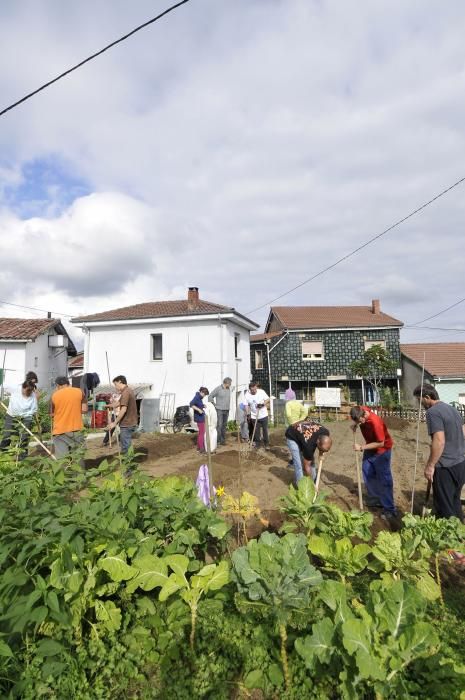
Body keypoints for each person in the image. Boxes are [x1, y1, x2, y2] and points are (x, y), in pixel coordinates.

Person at [413, 384, 465, 521]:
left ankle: (449, 540)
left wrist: (430, 466)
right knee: (454, 502)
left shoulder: (433, 412)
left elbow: (439, 441)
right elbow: (463, 431)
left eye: (419, 400)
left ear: (427, 397)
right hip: (460, 464)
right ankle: (460, 534)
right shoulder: (452, 409)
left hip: (445, 467)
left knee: (444, 507)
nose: (419, 404)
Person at [350, 405, 397, 520]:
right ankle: (376, 499)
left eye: (360, 421)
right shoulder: (361, 410)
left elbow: (380, 443)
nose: (360, 423)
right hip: (370, 447)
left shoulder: (375, 422)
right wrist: (355, 424)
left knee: (384, 479)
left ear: (364, 415)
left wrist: (361, 447)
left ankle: (390, 509)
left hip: (382, 450)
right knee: (367, 471)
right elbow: (358, 414)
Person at [51, 376, 87, 459]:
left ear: (58, 385)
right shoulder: (80, 392)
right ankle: (80, 472)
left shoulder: (54, 395)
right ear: (68, 383)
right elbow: (84, 410)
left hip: (60, 431)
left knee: (62, 459)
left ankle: (65, 471)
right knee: (78, 458)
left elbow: (51, 414)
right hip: (77, 428)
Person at [0, 379, 38, 460]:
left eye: (30, 391)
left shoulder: (32, 395)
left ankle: (22, 457)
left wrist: (27, 414)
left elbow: (34, 409)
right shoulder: (15, 388)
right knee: (7, 434)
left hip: (26, 417)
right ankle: (3, 453)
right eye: (27, 391)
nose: (29, 393)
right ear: (23, 388)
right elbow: (3, 386)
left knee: (24, 436)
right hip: (12, 415)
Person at [106, 376, 138, 455]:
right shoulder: (128, 390)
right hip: (130, 422)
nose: (116, 387)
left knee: (125, 447)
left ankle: (128, 466)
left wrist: (115, 422)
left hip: (127, 423)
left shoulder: (126, 392)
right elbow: (119, 403)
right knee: (126, 445)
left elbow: (123, 409)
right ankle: (129, 464)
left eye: (116, 384)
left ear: (120, 382)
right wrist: (110, 405)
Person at [245, 382, 270, 450]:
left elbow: (268, 399)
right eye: (252, 390)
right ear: (250, 389)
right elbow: (246, 405)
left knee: (265, 430)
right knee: (256, 431)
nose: (254, 391)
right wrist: (248, 414)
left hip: (263, 415)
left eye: (255, 389)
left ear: (256, 387)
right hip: (254, 416)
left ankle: (266, 444)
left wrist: (262, 404)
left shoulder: (261, 392)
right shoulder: (247, 395)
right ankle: (257, 444)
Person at [209, 377, 232, 446]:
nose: (230, 385)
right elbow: (210, 396)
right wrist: (214, 405)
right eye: (230, 383)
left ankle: (223, 440)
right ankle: (217, 441)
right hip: (219, 410)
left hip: (226, 410)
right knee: (219, 425)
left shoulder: (228, 389)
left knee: (224, 426)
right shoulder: (218, 389)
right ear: (226, 383)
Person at [190, 387, 209, 453]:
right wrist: (198, 410)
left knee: (201, 433)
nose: (204, 396)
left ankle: (199, 447)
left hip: (201, 417)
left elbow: (198, 405)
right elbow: (191, 404)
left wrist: (203, 406)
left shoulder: (199, 398)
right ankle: (201, 448)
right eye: (204, 394)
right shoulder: (197, 397)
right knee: (202, 433)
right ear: (201, 392)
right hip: (199, 418)